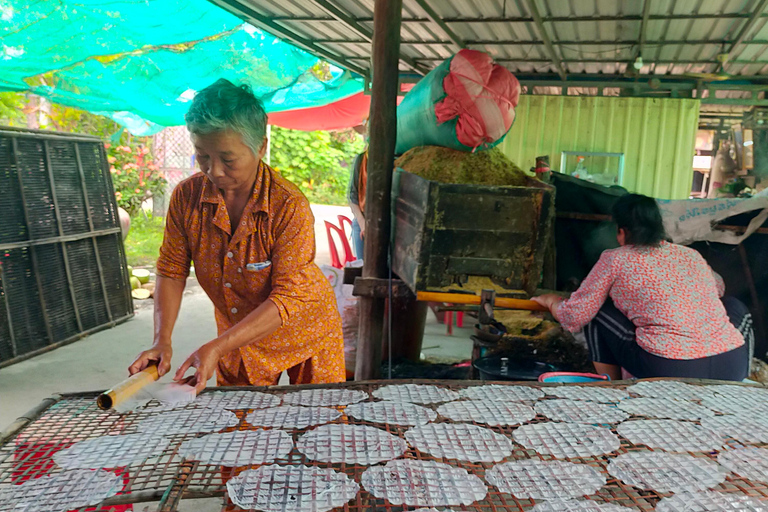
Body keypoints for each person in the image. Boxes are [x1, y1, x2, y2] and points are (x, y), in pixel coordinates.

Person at [129, 79, 345, 392]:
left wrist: (216, 347)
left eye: (228, 159)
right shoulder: (187, 198)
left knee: (318, 424)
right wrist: (162, 340)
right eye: (202, 155)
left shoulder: (287, 204)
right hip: (238, 337)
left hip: (306, 332)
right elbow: (171, 269)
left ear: (260, 147)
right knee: (242, 430)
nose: (214, 171)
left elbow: (288, 297)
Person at [533, 193, 753, 381]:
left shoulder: (615, 259)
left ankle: (609, 388)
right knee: (734, 306)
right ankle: (745, 379)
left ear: (622, 231)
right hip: (731, 366)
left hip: (670, 368)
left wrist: (552, 301)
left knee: (597, 312)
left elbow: (576, 315)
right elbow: (718, 289)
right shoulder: (689, 255)